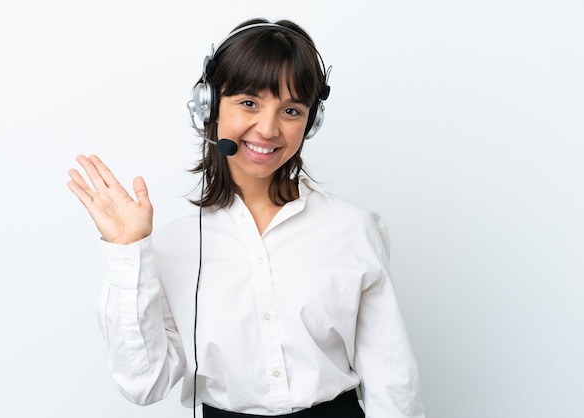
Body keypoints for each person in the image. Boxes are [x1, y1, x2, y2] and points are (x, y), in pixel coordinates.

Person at [67, 17, 425, 418]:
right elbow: (144, 384)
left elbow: (393, 381)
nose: (268, 128)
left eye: (291, 109)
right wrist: (127, 252)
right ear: (210, 105)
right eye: (249, 103)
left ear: (311, 122)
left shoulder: (353, 229)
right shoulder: (172, 247)